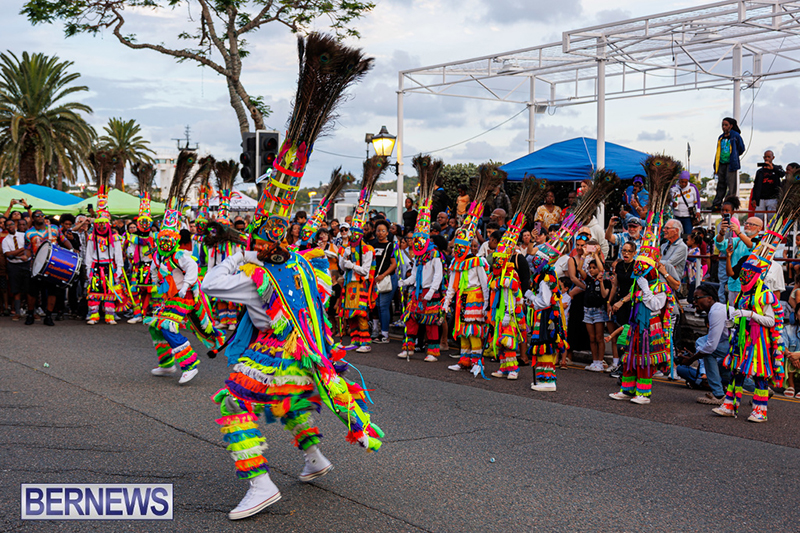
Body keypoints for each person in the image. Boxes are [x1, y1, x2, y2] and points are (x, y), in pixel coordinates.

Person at [145, 151, 224, 384]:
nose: (165, 244)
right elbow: (154, 270)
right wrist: (154, 282)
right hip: (168, 295)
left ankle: (189, 365)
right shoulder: (159, 255)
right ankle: (167, 365)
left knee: (168, 325)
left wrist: (186, 286)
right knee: (155, 327)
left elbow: (192, 267)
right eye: (163, 240)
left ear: (174, 240)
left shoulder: (180, 254)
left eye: (169, 240)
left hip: (184, 296)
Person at [399, 156, 445, 362]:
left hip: (429, 293)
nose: (416, 243)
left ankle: (433, 351)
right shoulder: (418, 256)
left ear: (427, 239)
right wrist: (405, 281)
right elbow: (416, 275)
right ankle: (408, 347)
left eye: (420, 240)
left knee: (431, 322)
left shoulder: (434, 255)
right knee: (411, 319)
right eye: (415, 240)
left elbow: (438, 276)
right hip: (417, 292)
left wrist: (432, 292)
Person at [443, 200, 490, 375]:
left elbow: (485, 285)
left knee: (474, 332)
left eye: (461, 247)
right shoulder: (455, 263)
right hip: (462, 299)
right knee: (463, 331)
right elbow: (452, 286)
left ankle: (478, 362)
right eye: (456, 247)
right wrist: (447, 302)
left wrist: (486, 305)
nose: (457, 250)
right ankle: (464, 361)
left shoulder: (477, 261)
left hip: (476, 299)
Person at [675, 284, 732, 405]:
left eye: (697, 298)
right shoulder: (718, 309)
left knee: (708, 354)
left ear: (709, 298)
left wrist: (691, 359)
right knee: (725, 366)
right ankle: (759, 389)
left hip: (742, 345)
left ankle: (719, 395)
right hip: (737, 344)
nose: (694, 302)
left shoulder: (716, 312)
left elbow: (710, 347)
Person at [25, 209, 74, 326]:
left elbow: (64, 240)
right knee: (32, 292)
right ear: (33, 218)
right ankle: (30, 314)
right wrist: (25, 257)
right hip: (36, 265)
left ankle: (48, 316)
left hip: (53, 264)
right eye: (37, 215)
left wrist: (71, 251)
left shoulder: (54, 229)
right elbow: (27, 249)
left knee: (52, 291)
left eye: (42, 215)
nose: (40, 217)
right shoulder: (29, 233)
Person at [369, 220, 397, 344]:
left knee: (383, 305)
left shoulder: (390, 246)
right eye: (378, 231)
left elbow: (394, 264)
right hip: (374, 280)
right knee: (375, 305)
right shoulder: (372, 245)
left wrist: (383, 275)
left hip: (387, 279)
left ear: (387, 233)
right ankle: (376, 330)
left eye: (383, 231)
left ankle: (385, 334)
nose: (380, 233)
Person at [711, 117, 746, 211]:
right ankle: (717, 203)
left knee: (731, 185)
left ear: (731, 125)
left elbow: (741, 148)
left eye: (726, 125)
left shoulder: (735, 136)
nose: (723, 127)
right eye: (722, 125)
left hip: (731, 164)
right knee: (721, 184)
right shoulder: (721, 137)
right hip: (721, 163)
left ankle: (729, 202)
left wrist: (734, 155)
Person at [582, 257, 610, 372]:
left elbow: (604, 295)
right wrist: (584, 255)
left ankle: (600, 361)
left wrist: (596, 255)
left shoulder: (606, 280)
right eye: (590, 268)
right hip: (588, 310)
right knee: (592, 338)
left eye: (594, 268)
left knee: (599, 337)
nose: (591, 270)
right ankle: (594, 361)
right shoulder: (589, 280)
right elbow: (579, 269)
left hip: (599, 310)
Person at [2, 218, 31, 321]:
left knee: (29, 289)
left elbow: (29, 248)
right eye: (8, 225)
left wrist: (21, 254)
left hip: (26, 263)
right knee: (16, 289)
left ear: (15, 225)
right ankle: (17, 312)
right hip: (14, 266)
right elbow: (8, 255)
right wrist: (21, 250)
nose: (10, 226)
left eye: (12, 224)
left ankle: (32, 312)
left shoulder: (23, 235)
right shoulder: (5, 240)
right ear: (5, 227)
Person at [714, 197, 741, 303]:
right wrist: (717, 253)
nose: (724, 213)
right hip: (722, 255)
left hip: (732, 255)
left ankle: (730, 305)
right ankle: (722, 303)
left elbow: (735, 239)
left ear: (732, 212)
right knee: (722, 281)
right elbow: (717, 239)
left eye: (727, 211)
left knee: (730, 280)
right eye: (722, 210)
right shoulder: (718, 222)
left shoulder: (734, 222)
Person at [752, 150, 785, 222]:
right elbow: (756, 186)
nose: (767, 158)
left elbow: (782, 174)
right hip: (761, 199)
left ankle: (772, 232)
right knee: (757, 218)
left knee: (772, 219)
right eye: (765, 157)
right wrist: (754, 198)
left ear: (773, 157)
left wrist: (773, 168)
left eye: (768, 157)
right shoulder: (760, 171)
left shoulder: (777, 168)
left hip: (773, 198)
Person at [671, 171, 699, 236]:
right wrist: (672, 204)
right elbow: (668, 200)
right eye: (681, 182)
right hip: (676, 216)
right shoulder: (673, 188)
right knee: (676, 235)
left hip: (688, 216)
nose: (683, 184)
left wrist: (698, 211)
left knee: (688, 235)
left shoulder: (692, 188)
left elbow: (697, 201)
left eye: (685, 182)